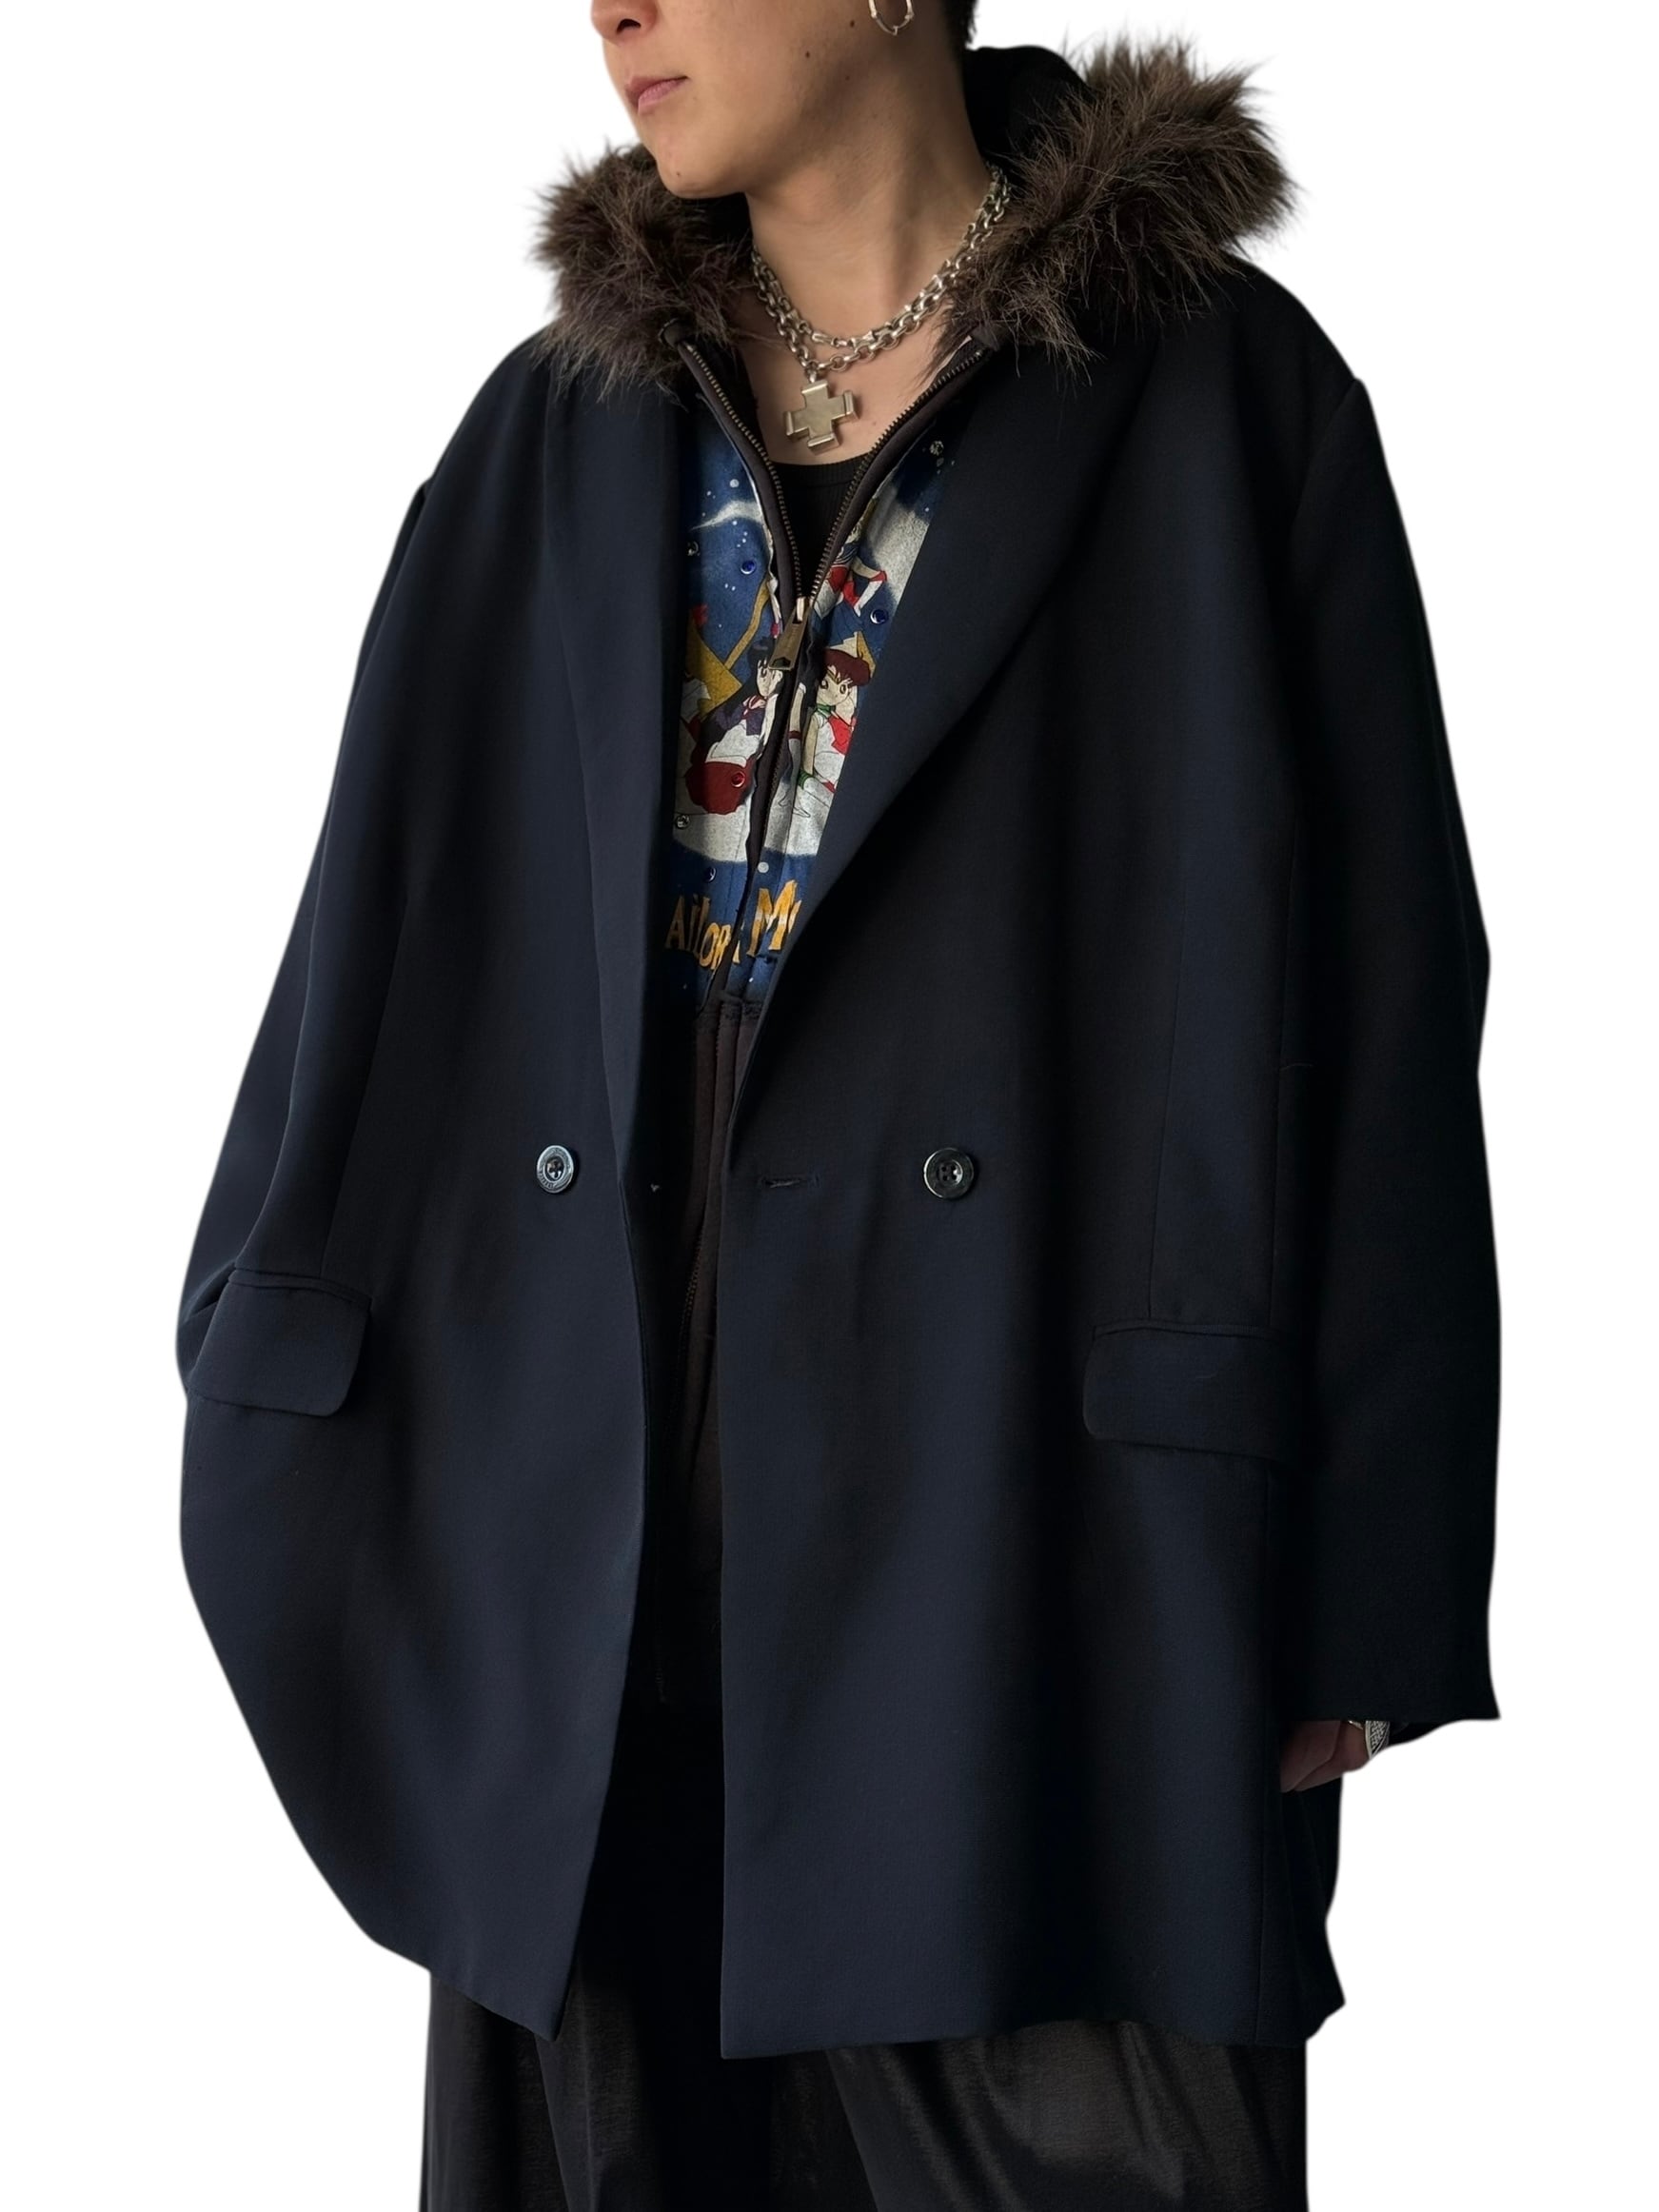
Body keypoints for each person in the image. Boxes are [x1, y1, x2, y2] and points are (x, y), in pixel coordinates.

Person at [173, 6, 1502, 2207]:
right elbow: (371, 959)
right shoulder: (548, 434)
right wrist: (263, 1390)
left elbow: (1389, 997)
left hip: (1049, 1588)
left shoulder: (1223, 404)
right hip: (594, 1599)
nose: (612, 5)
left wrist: (1365, 1574)